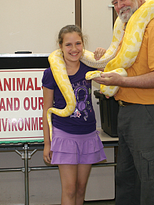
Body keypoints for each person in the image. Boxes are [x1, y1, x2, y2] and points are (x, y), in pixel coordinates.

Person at [93, 0, 154, 205]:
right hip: (127, 113)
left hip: (150, 114)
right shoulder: (126, 29)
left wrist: (122, 81)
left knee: (153, 181)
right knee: (127, 180)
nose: (119, 6)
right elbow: (122, 66)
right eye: (114, 2)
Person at [42, 24, 107, 205]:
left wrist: (101, 59)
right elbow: (46, 109)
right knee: (69, 189)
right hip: (64, 134)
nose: (74, 49)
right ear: (60, 47)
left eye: (78, 44)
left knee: (80, 187)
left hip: (88, 134)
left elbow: (111, 81)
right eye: (68, 45)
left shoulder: (88, 68)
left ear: (83, 45)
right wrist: (47, 143)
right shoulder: (51, 74)